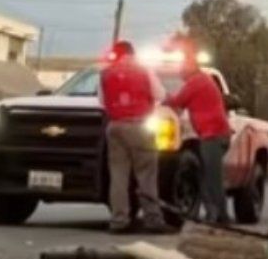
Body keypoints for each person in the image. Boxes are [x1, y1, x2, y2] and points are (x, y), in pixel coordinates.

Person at [99, 41, 168, 234]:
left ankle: (119, 220)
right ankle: (152, 219)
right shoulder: (144, 71)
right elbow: (160, 94)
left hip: (115, 126)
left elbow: (102, 101)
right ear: (133, 53)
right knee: (146, 174)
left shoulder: (106, 73)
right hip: (139, 125)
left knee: (118, 175)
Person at [164, 47, 232, 224]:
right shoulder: (204, 80)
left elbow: (176, 102)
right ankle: (216, 213)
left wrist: (159, 96)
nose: (180, 71)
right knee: (208, 175)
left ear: (191, 66)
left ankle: (219, 216)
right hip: (216, 134)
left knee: (211, 177)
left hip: (213, 135)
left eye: (182, 67)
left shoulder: (196, 83)